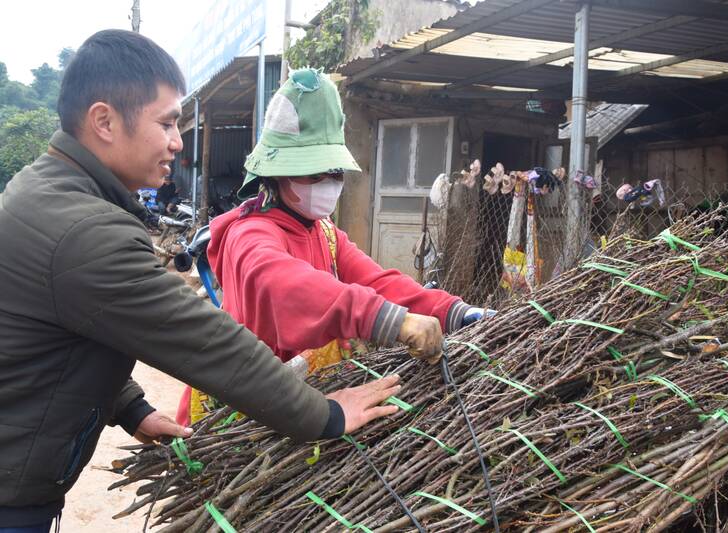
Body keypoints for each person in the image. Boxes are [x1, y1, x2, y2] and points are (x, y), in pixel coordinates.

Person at [0, 30, 401, 533]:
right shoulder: (86, 230)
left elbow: (63, 337)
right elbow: (206, 341)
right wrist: (326, 415)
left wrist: (130, 407)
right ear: (104, 121)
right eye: (166, 122)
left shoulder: (45, 191)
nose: (177, 140)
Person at [176, 67, 493, 425]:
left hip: (297, 400)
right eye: (315, 173)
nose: (328, 183)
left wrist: (454, 311)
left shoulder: (325, 232)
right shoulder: (249, 235)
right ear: (278, 174)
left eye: (335, 173)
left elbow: (378, 282)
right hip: (240, 413)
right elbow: (287, 285)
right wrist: (389, 320)